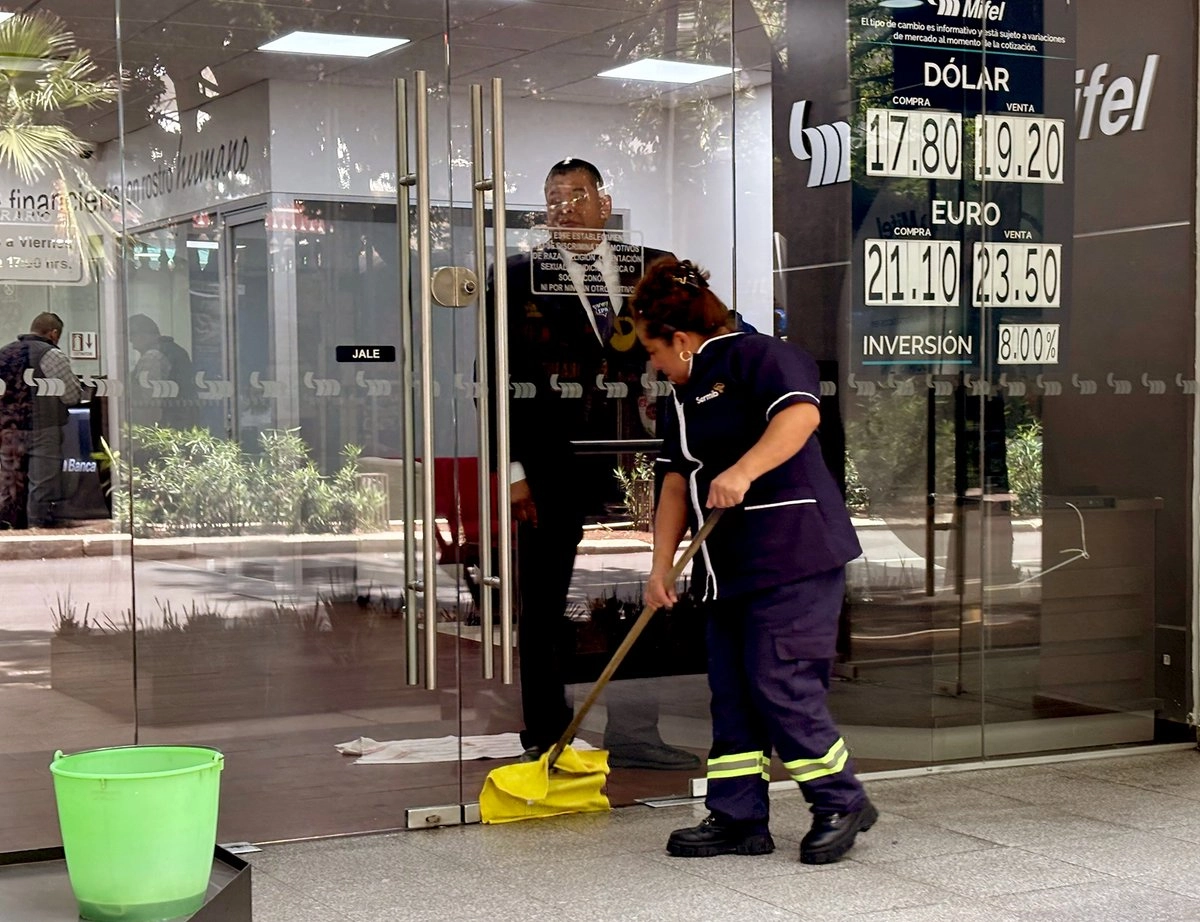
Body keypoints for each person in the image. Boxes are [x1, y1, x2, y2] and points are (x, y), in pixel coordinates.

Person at [631, 256, 874, 864]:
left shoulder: (765, 356)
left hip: (792, 557)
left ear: (681, 341)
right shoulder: (679, 401)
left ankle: (841, 799)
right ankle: (739, 817)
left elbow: (800, 416)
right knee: (734, 692)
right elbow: (672, 482)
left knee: (781, 682)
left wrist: (743, 470)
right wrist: (661, 567)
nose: (651, 364)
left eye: (653, 351)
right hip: (725, 570)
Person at [489, 158, 699, 771]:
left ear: (604, 205)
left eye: (577, 195)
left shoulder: (653, 267)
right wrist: (512, 473)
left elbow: (695, 342)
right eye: (553, 197)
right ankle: (546, 733)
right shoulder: (517, 276)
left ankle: (635, 733)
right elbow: (493, 377)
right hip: (553, 459)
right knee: (545, 599)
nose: (565, 207)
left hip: (646, 452)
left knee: (648, 590)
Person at [0, 312, 83, 528]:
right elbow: (71, 395)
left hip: (8, 429)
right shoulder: (52, 354)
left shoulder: (5, 353)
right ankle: (37, 530)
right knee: (42, 485)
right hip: (43, 427)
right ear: (54, 334)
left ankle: (8, 529)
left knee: (9, 481)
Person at [128, 313, 197, 430]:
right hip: (180, 421)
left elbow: (145, 398)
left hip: (165, 424)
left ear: (143, 335)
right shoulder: (174, 350)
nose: (131, 342)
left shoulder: (153, 356)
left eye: (132, 336)